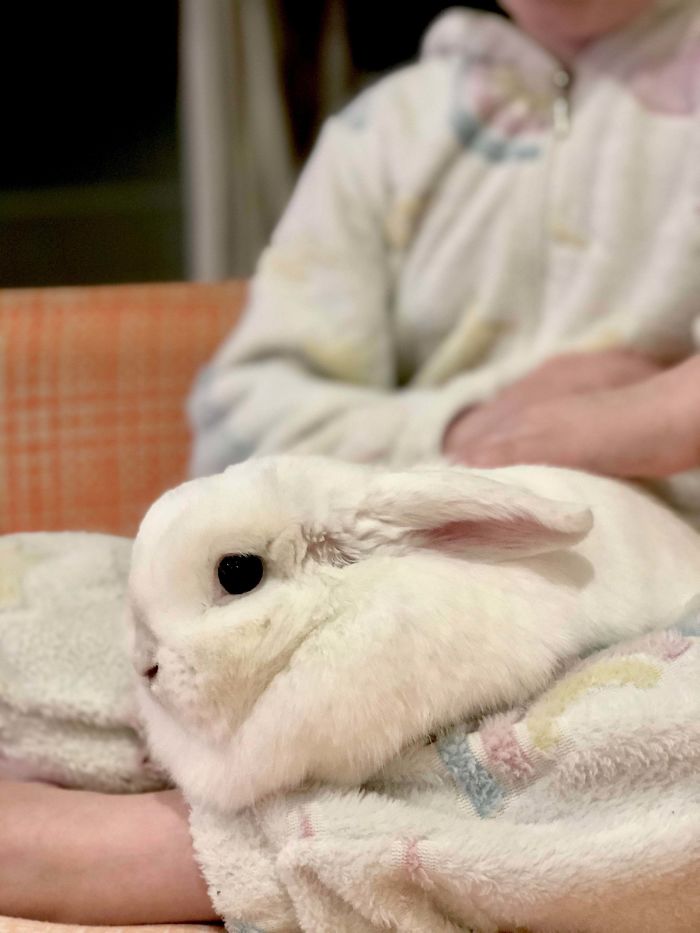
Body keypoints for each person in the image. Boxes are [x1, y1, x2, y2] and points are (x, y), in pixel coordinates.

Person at [3, 0, 700, 924]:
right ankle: (396, 830)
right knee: (48, 603)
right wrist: (484, 432)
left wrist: (636, 422)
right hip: (387, 551)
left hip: (670, 599)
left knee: (641, 723)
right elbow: (246, 414)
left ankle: (204, 848)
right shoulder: (386, 132)